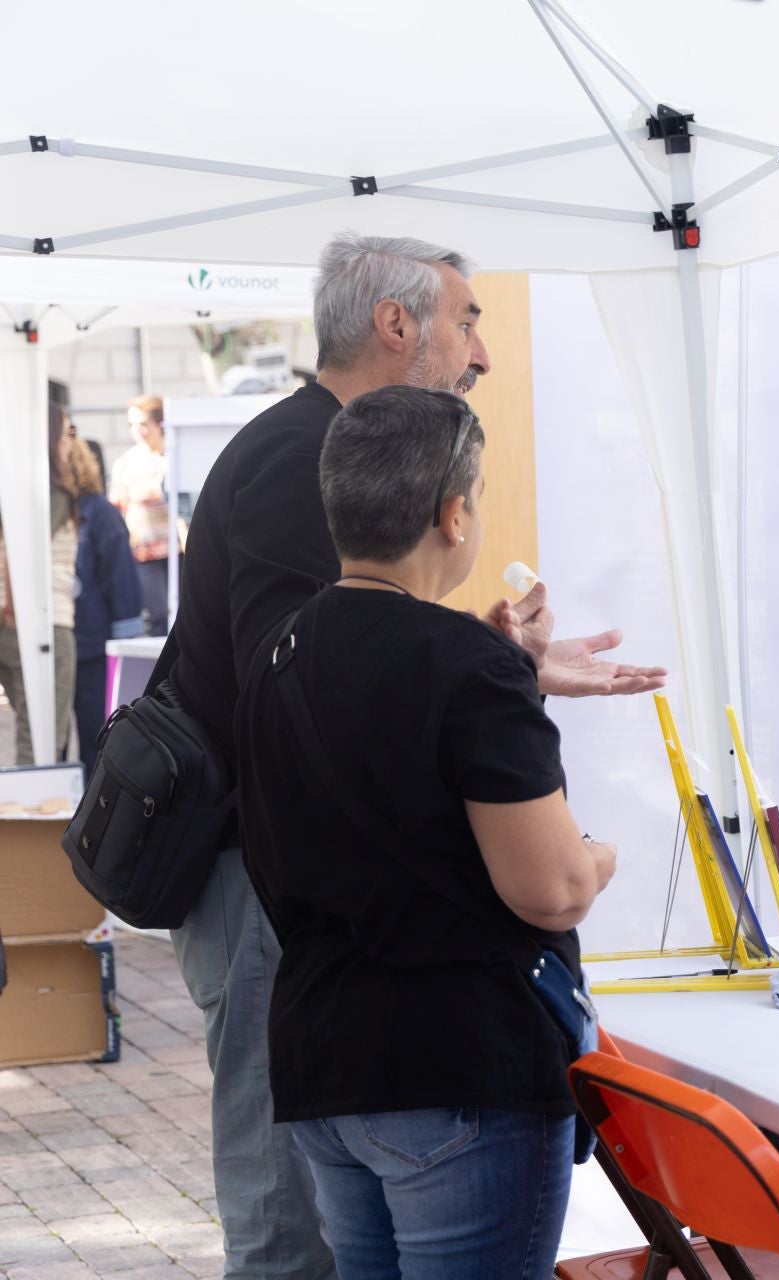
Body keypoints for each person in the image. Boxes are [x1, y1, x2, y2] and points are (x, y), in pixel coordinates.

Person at [162, 232, 665, 1278]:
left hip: (336, 989)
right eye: (468, 319)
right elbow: (302, 683)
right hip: (288, 922)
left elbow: (331, 668)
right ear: (396, 324)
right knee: (285, 1234)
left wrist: (483, 664)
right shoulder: (290, 459)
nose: (481, 352)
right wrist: (476, 674)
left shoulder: (323, 468)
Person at [235, 386, 612, 1278]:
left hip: (327, 1061)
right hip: (455, 1066)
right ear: (453, 514)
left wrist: (502, 673)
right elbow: (552, 888)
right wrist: (602, 855)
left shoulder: (276, 656)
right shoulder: (466, 664)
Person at [0, 404, 81, 765]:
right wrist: (14, 608)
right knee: (43, 742)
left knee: (33, 737)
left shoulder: (17, 487)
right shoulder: (51, 493)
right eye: (66, 434)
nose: (70, 444)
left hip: (21, 618)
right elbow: (22, 551)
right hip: (43, 621)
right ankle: (36, 821)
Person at [71, 435, 145, 775]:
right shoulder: (34, 513)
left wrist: (125, 651)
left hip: (91, 649)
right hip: (54, 646)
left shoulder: (99, 513)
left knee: (96, 741)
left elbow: (122, 582)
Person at [110, 394, 172, 636]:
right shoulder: (126, 462)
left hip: (179, 548)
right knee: (156, 614)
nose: (138, 431)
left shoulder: (174, 455)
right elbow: (117, 505)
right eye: (132, 425)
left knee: (184, 610)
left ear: (160, 424)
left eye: (143, 424)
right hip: (143, 550)